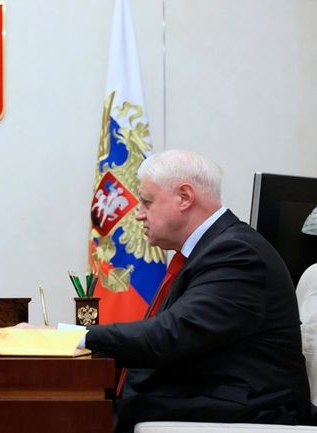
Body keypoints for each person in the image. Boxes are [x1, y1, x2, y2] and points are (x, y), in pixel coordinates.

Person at [84, 150, 311, 432]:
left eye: (147, 202)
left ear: (185, 197)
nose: (139, 214)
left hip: (246, 415)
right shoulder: (208, 252)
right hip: (201, 400)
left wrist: (75, 339)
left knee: (76, 415)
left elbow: (169, 336)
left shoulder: (238, 254)